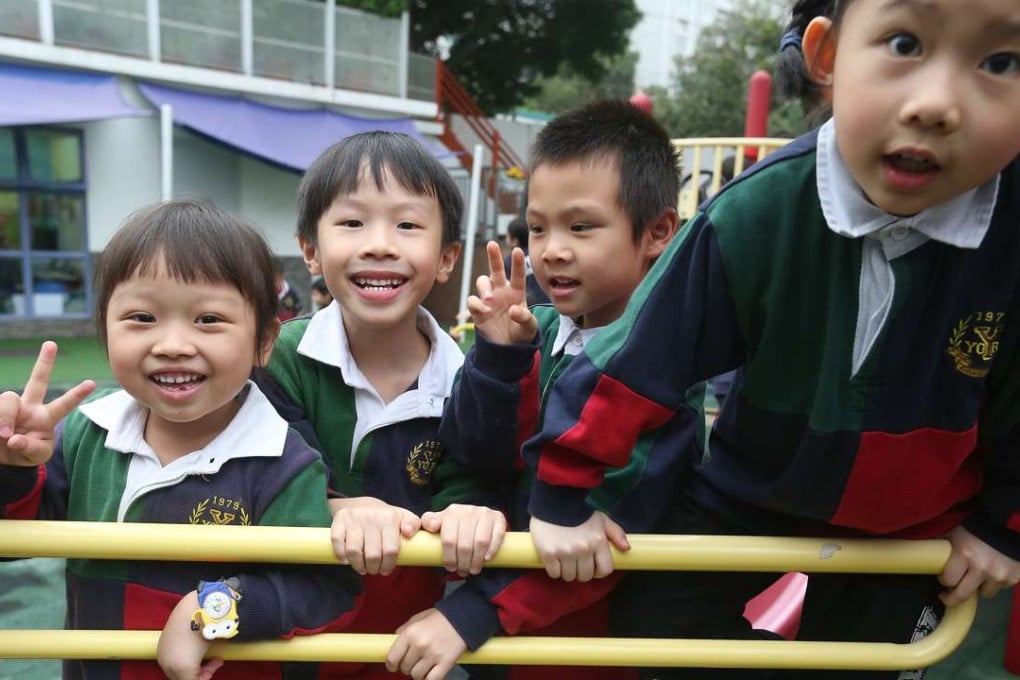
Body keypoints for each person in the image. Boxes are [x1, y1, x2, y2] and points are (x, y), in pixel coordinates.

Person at [520, 1, 1020, 678]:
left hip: (914, 515)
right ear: (828, 58)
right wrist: (561, 493)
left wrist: (998, 524)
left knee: (867, 663)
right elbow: (638, 356)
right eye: (905, 43)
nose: (937, 105)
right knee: (655, 621)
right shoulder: (760, 212)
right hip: (754, 484)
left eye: (1001, 62)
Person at [384, 100, 707, 680]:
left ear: (657, 231)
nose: (552, 249)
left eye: (580, 226)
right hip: (505, 628)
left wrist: (470, 614)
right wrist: (499, 359)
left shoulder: (664, 381)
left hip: (581, 643)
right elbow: (474, 452)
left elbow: (609, 539)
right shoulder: (542, 330)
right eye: (538, 227)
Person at [0, 200, 362, 680]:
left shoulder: (283, 460)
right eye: (142, 318)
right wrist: (14, 468)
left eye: (208, 319)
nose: (172, 344)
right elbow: (14, 538)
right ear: (104, 331)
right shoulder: (87, 432)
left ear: (264, 341)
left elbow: (324, 588)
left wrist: (215, 610)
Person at [253, 131, 506, 679]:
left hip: (403, 648)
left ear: (445, 258)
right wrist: (338, 505)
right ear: (310, 251)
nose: (380, 244)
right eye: (352, 223)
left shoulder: (467, 378)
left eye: (407, 225)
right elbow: (260, 474)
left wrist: (468, 507)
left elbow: (475, 471)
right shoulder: (277, 360)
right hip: (284, 645)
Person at [502, 216, 549, 307]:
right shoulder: (541, 255)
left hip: (527, 310)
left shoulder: (511, 261)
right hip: (551, 310)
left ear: (515, 241)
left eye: (507, 235)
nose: (506, 239)